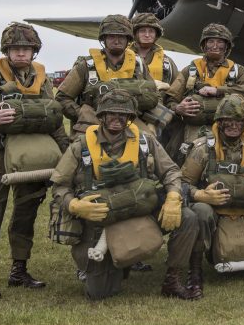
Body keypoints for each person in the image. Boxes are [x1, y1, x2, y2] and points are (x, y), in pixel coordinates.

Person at [50, 90, 199, 300]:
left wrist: (173, 197)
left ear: (130, 118)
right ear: (101, 116)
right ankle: (115, 263)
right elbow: (59, 185)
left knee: (188, 217)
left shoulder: (145, 141)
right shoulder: (81, 145)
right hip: (100, 223)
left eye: (123, 115)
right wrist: (74, 205)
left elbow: (171, 171)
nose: (117, 119)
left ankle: (173, 280)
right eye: (111, 114)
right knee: (99, 293)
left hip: (139, 210)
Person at [0, 22, 70, 299]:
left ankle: (19, 270)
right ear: (6, 50)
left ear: (34, 51)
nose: (21, 53)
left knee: (27, 211)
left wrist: (67, 150)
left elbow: (53, 118)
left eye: (26, 48)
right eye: (15, 49)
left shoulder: (41, 78)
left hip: (32, 153)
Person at [181, 95, 244, 297]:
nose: (233, 126)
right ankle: (194, 272)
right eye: (227, 121)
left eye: (238, 122)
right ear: (219, 123)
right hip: (211, 207)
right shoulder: (203, 148)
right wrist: (202, 195)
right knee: (200, 212)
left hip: (243, 206)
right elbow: (183, 184)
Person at [165, 23, 244, 163]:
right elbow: (170, 99)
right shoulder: (190, 70)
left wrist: (218, 90)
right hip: (193, 127)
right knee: (182, 158)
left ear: (226, 47)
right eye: (211, 41)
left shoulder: (237, 71)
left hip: (231, 129)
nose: (215, 46)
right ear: (204, 45)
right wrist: (178, 108)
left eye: (220, 42)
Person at [56, 14, 159, 139]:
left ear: (128, 39)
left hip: (129, 121)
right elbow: (62, 97)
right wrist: (81, 114)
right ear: (103, 39)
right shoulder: (87, 66)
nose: (116, 40)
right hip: (93, 121)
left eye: (121, 37)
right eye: (111, 36)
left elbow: (154, 94)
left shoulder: (139, 65)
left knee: (149, 147)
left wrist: (149, 120)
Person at [129, 12, 177, 87]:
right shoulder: (122, 58)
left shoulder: (167, 63)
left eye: (151, 31)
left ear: (156, 35)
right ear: (135, 34)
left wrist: (167, 87)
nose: (147, 35)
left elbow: (176, 90)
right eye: (142, 31)